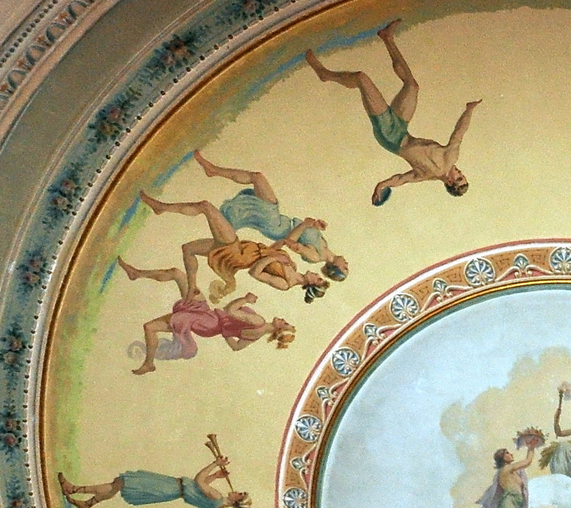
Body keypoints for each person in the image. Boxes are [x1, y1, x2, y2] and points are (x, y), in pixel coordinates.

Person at [305, 19, 478, 204]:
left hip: (389, 135)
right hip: (401, 129)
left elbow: (401, 179)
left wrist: (381, 185)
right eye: (463, 175)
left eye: (459, 177)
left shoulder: (429, 172)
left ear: (450, 182)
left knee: (361, 78)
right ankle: (387, 37)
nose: (460, 172)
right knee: (412, 86)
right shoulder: (446, 160)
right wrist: (469, 110)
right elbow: (459, 132)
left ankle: (325, 74)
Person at [138, 159, 347, 302]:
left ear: (311, 285)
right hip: (244, 247)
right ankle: (191, 288)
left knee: (206, 207)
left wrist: (276, 256)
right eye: (321, 277)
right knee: (188, 249)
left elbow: (255, 272)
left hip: (237, 253)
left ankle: (162, 208)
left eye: (318, 280)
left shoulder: (287, 284)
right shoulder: (293, 266)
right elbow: (272, 250)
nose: (318, 275)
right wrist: (280, 247)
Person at [117, 259, 294, 374]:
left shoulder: (259, 322)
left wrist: (245, 300)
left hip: (205, 320)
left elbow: (230, 310)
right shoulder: (255, 337)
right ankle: (136, 274)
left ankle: (149, 363)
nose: (283, 319)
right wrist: (225, 330)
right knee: (177, 274)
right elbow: (236, 347)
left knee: (150, 326)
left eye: (284, 323)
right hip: (208, 321)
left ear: (278, 330)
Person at [57, 456, 249, 508]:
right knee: (118, 484)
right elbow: (200, 489)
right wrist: (216, 475)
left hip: (170, 488)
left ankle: (74, 490)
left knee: (123, 483)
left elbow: (198, 480)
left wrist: (215, 463)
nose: (236, 491)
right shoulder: (217, 503)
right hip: (172, 488)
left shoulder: (218, 498)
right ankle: (87, 504)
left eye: (239, 494)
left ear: (236, 501)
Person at [474, 443, 537, 508]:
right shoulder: (506, 469)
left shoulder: (515, 472)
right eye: (507, 453)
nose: (511, 454)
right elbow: (527, 461)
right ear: (502, 458)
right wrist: (531, 448)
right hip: (508, 502)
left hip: (515, 505)